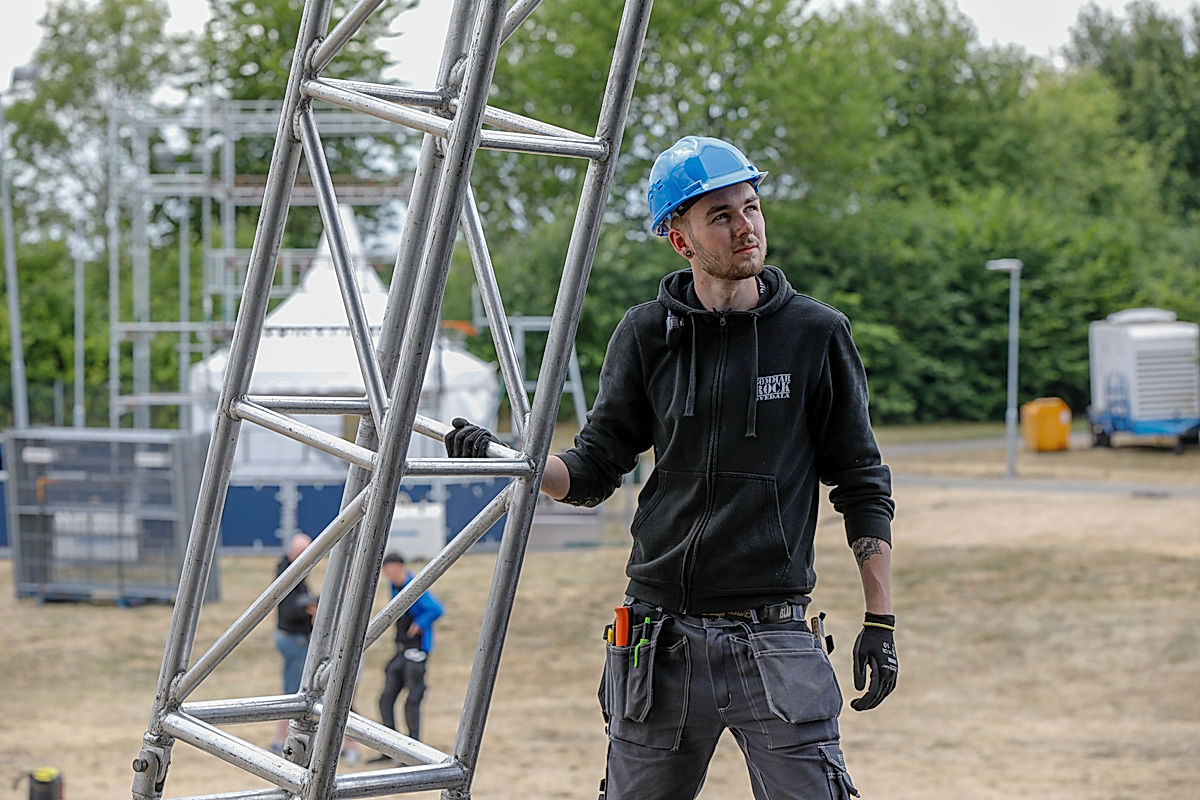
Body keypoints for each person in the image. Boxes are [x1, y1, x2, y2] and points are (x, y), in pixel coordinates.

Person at [445, 135, 897, 799]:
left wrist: (880, 622)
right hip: (659, 643)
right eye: (721, 215)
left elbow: (861, 482)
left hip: (772, 640)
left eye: (751, 206)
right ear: (679, 240)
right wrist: (513, 462)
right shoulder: (645, 334)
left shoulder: (815, 335)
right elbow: (594, 469)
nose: (746, 226)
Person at [371, 552, 443, 760]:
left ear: (398, 566)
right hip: (401, 651)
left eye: (388, 570)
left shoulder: (414, 585)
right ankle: (389, 749)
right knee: (385, 699)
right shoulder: (394, 587)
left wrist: (419, 624)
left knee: (412, 700)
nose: (386, 575)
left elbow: (436, 609)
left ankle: (412, 752)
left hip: (417, 652)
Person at [273, 533, 318, 752]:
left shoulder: (292, 570)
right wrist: (310, 607)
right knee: (294, 693)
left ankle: (283, 738)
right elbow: (290, 608)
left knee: (293, 691)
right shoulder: (288, 573)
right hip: (294, 640)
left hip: (293, 638)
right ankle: (282, 740)